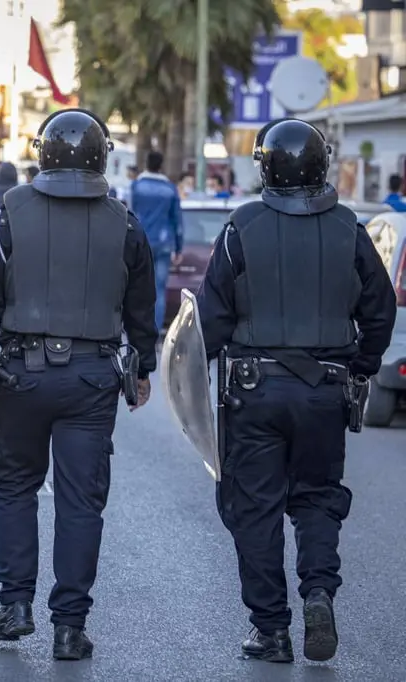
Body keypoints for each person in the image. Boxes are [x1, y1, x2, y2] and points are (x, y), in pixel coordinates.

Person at [195, 118, 397, 664]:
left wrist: (191, 377)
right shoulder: (349, 229)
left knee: (255, 509)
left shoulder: (241, 227)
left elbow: (210, 320)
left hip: (252, 392)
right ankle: (318, 592)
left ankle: (271, 629)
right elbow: (380, 309)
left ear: (264, 166)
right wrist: (362, 364)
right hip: (326, 390)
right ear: (322, 165)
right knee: (317, 500)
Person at [0, 108, 157, 661]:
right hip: (93, 379)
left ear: (42, 154)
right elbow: (141, 306)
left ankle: (15, 606)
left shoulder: (8, 212)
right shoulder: (124, 221)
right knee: (81, 503)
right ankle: (69, 626)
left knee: (15, 488)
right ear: (101, 156)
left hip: (20, 375)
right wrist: (140, 367)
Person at [129, 151, 183, 330]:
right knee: (159, 289)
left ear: (146, 163)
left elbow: (130, 215)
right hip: (164, 242)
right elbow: (177, 220)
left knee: (138, 287)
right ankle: (155, 328)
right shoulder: (170, 189)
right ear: (161, 166)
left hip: (141, 241)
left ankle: (139, 328)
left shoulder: (137, 186)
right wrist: (179, 248)